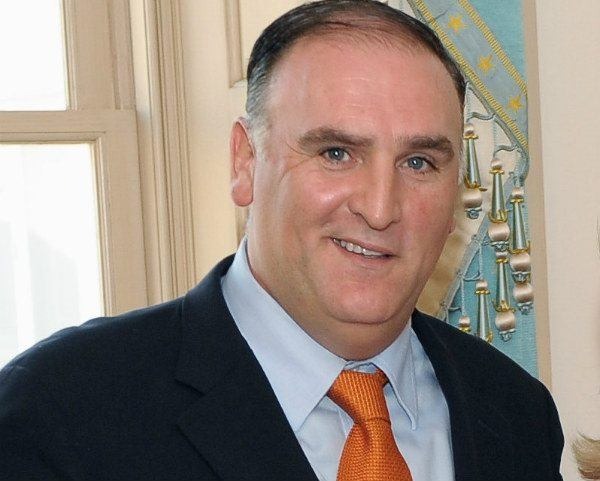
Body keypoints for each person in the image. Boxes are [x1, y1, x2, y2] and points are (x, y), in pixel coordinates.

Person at [0, 1, 563, 480]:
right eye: (336, 153)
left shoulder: (516, 414)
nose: (379, 208)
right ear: (245, 162)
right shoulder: (60, 412)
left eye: (419, 162)